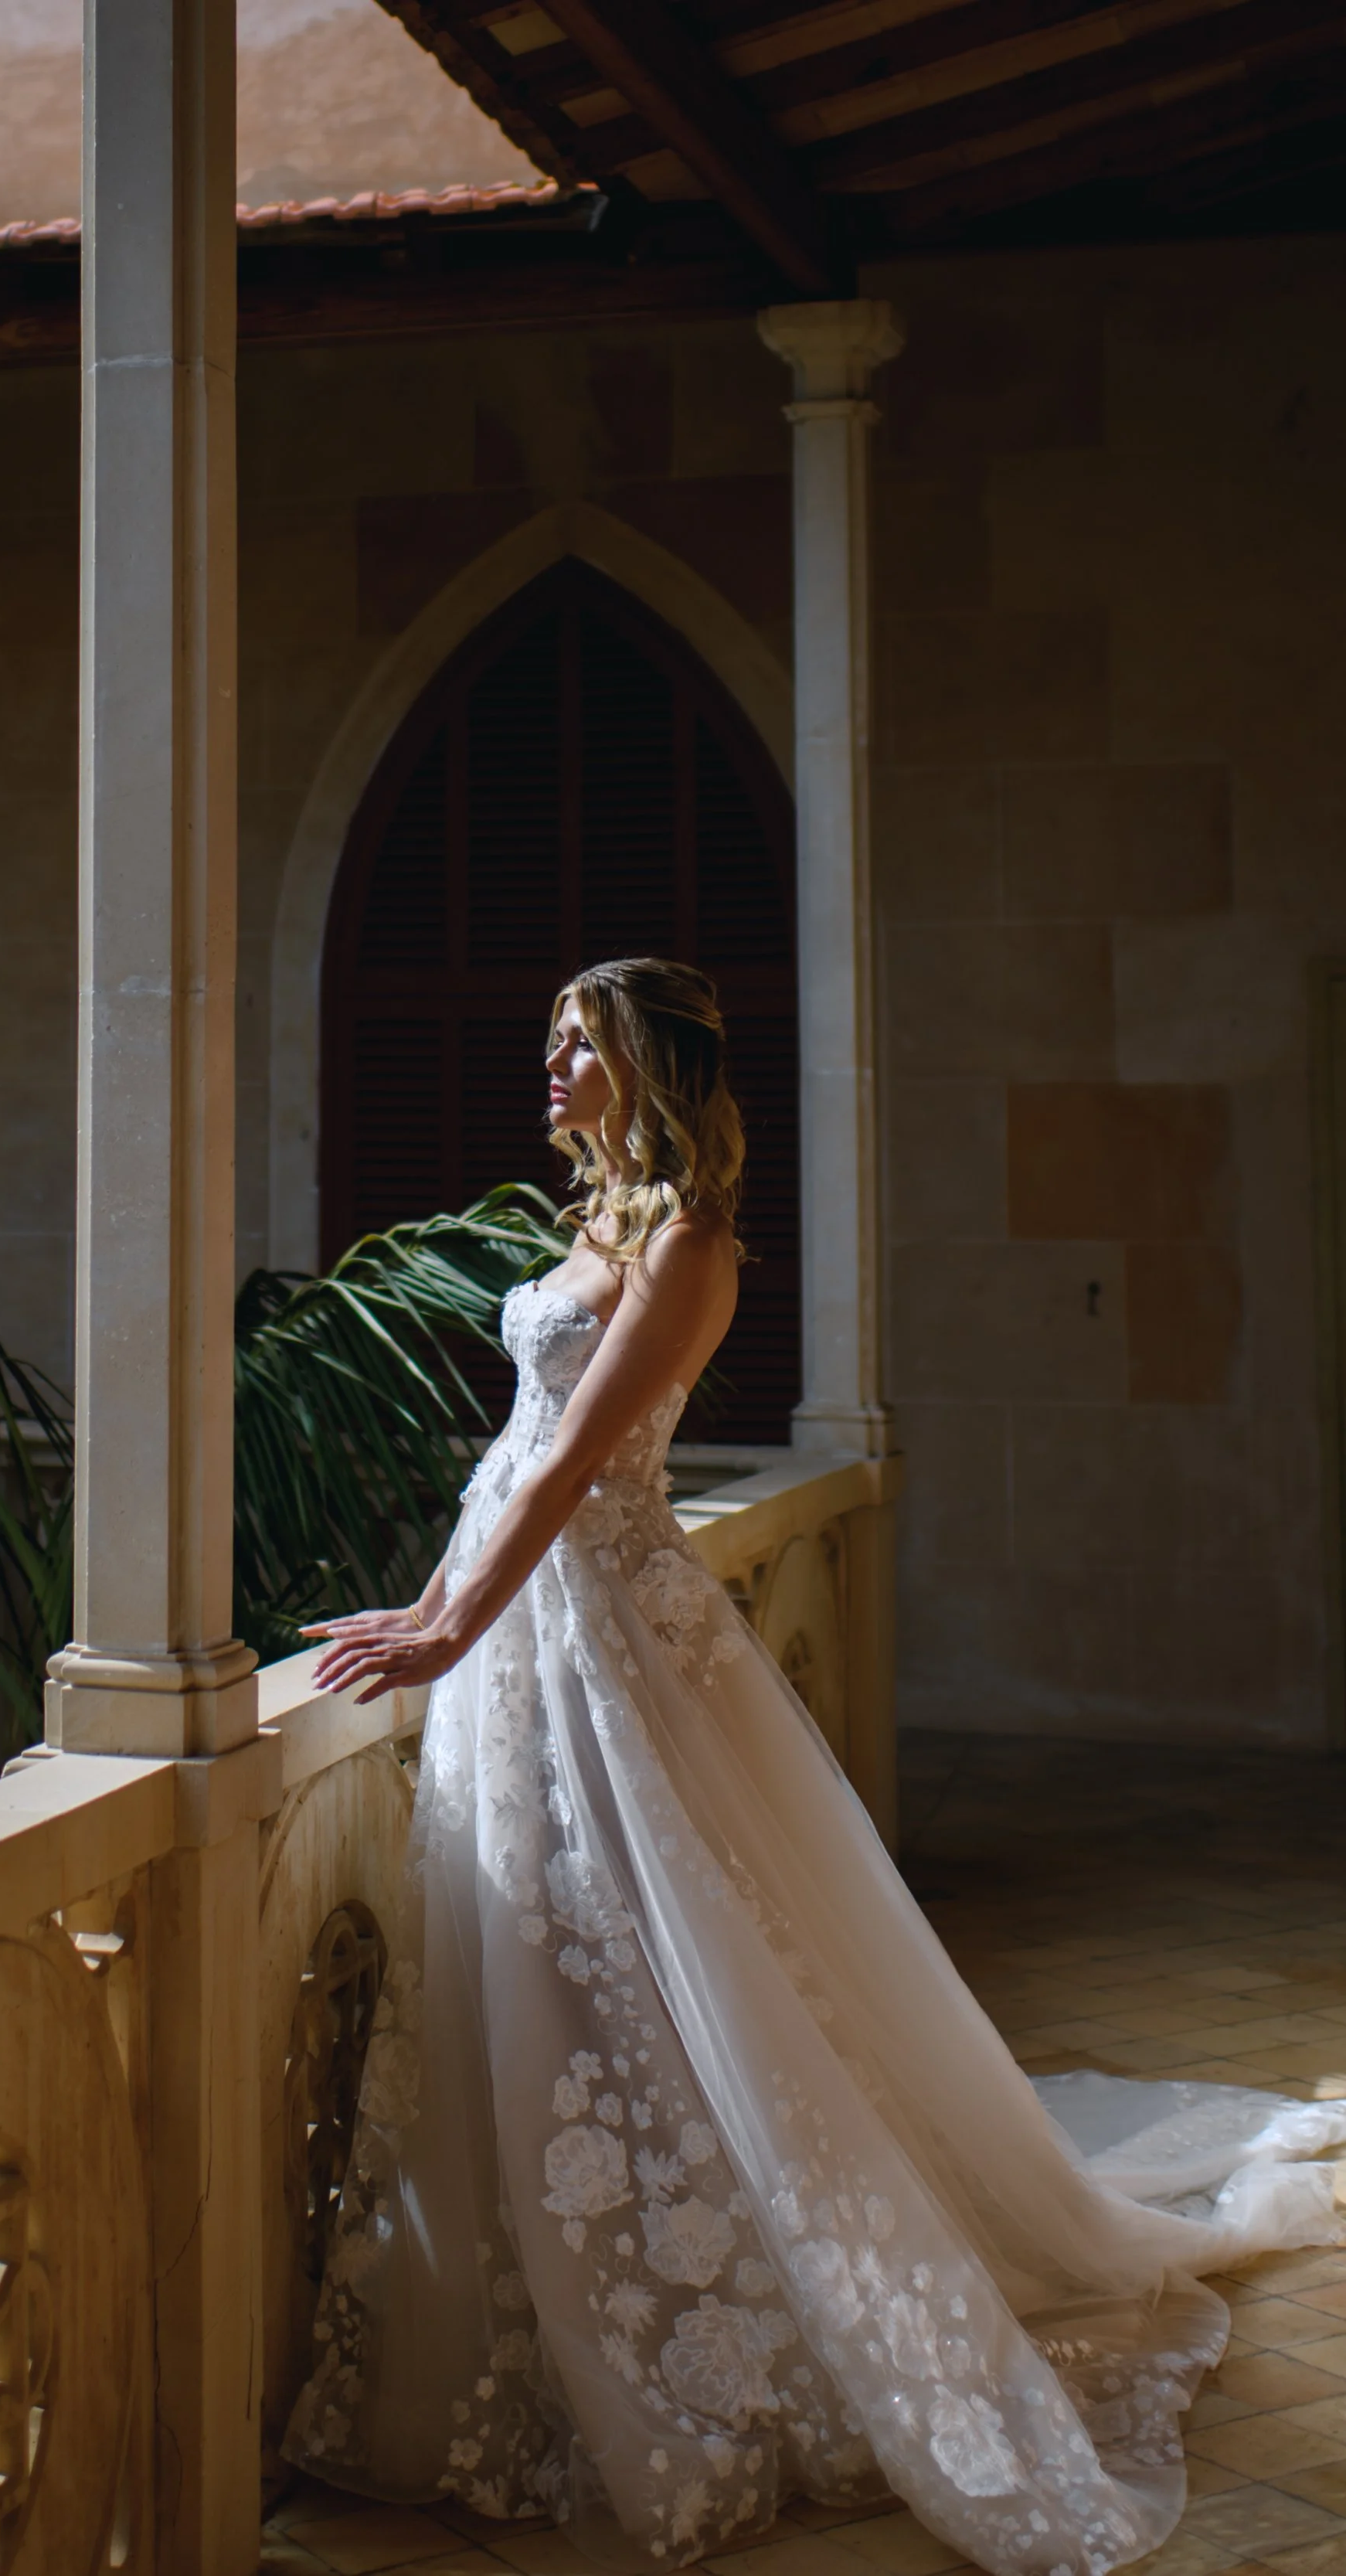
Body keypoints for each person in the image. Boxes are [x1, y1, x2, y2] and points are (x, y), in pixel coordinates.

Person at [284, 956, 1346, 2575]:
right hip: (528, 1639)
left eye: (579, 1042)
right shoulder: (594, 1230)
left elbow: (575, 1473)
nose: (551, 1064)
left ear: (645, 1064)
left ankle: (716, 2319)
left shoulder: (690, 1248)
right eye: (550, 1041)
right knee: (538, 1969)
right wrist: (430, 1606)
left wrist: (448, 1634)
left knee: (667, 1967)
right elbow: (507, 1453)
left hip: (614, 1653)